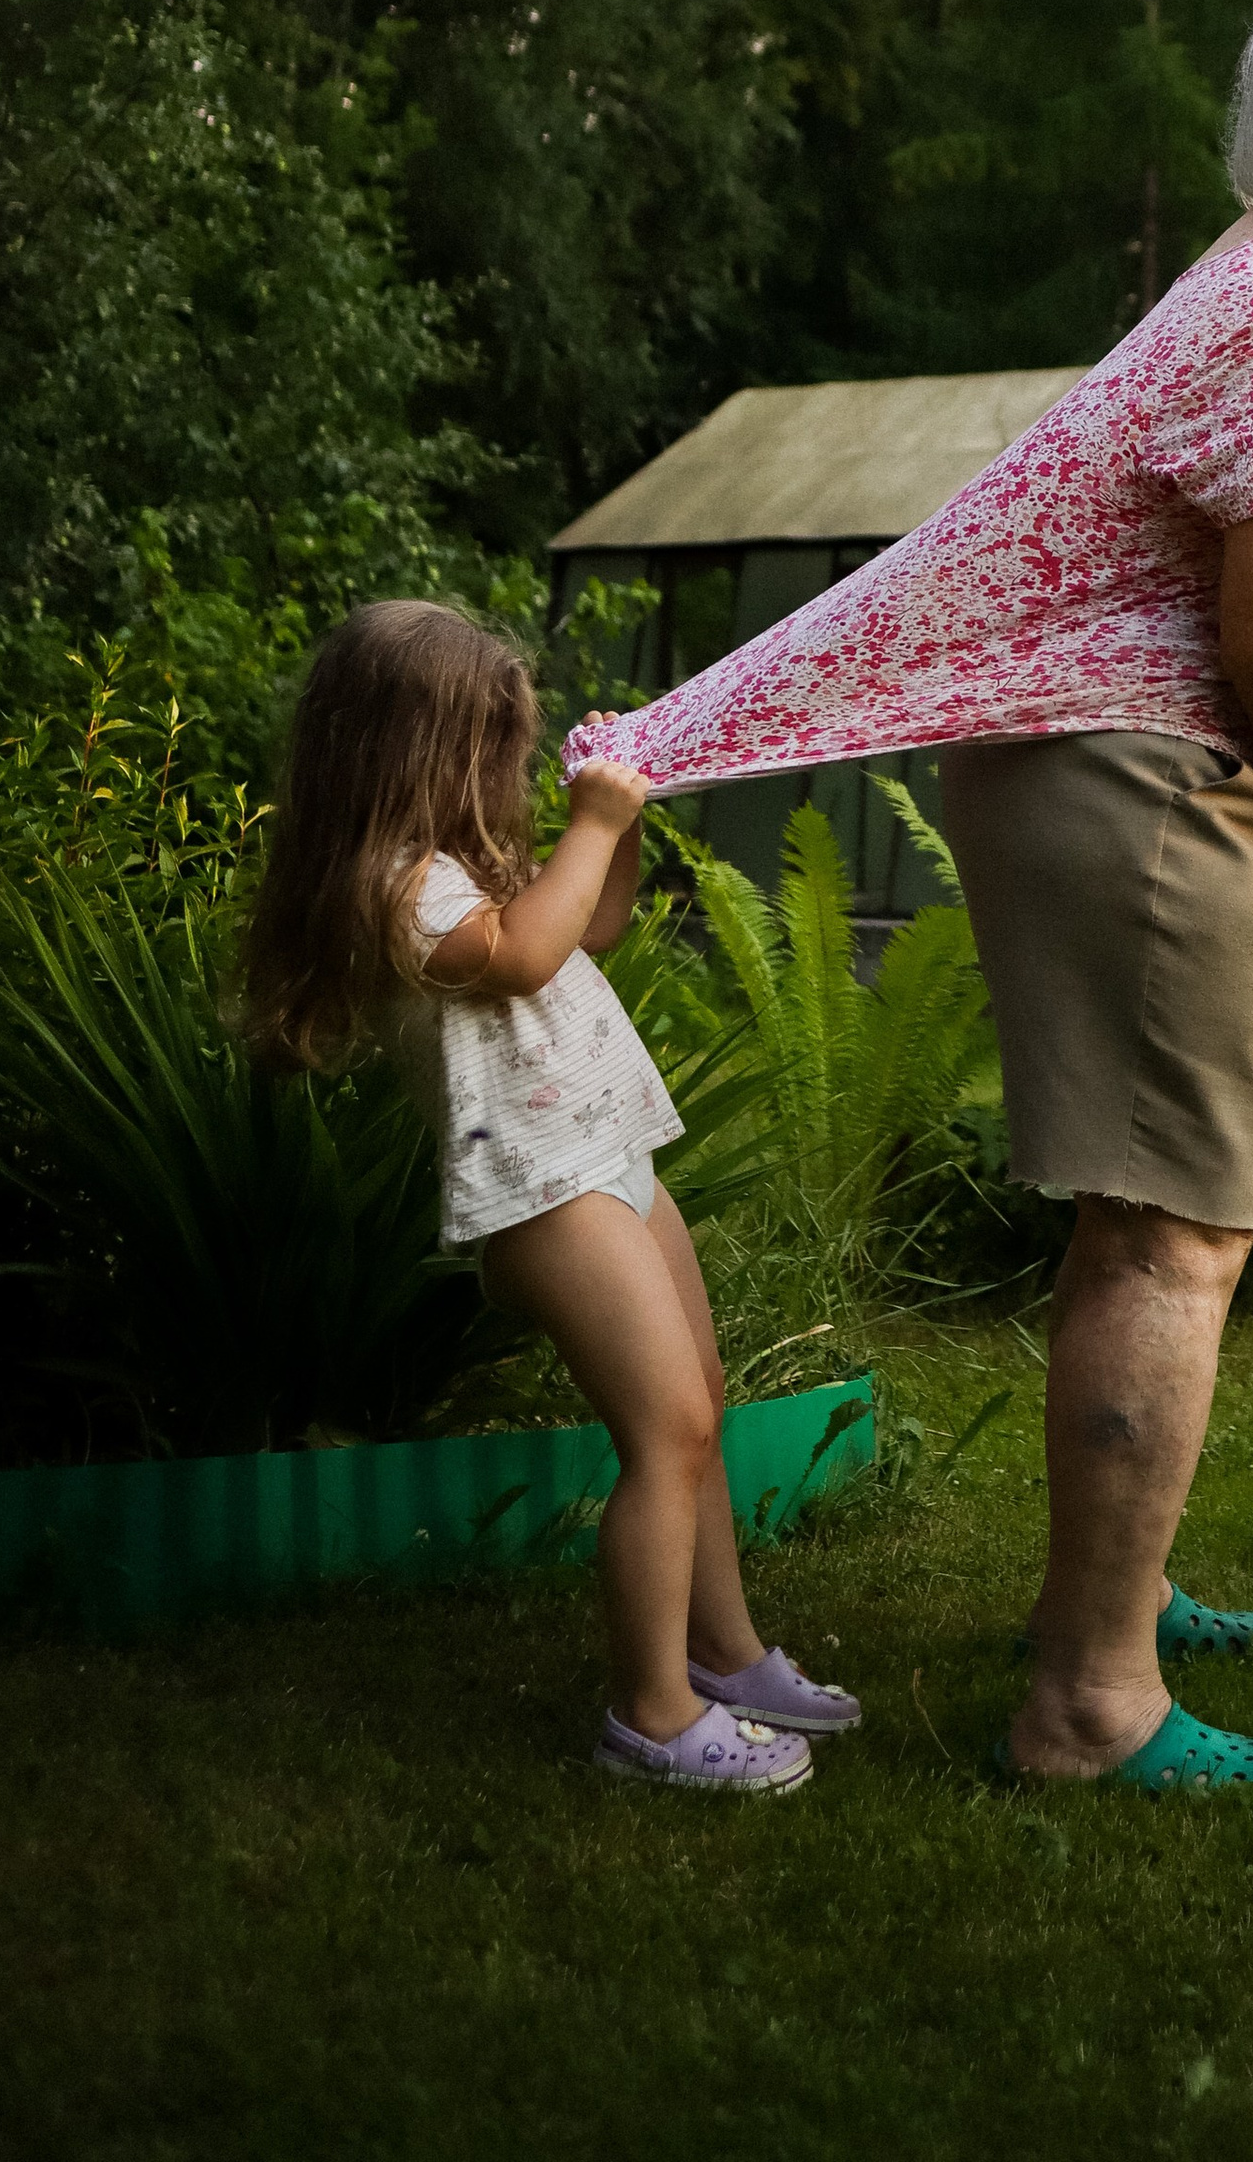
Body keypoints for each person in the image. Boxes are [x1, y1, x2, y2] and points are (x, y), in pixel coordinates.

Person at [566, 0, 1253, 1790]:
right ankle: (1090, 1700)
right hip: (1159, 787)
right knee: (1178, 1227)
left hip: (1135, 782)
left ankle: (1111, 1606)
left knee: (1157, 1210)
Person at [238, 598, 862, 1792]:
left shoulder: (463, 869)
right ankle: (653, 1712)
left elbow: (593, 925)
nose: (509, 771)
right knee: (663, 1429)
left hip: (606, 1156)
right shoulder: (395, 884)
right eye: (492, 747)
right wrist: (592, 817)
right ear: (415, 748)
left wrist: (616, 832)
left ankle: (723, 1652)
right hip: (542, 1192)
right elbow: (524, 952)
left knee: (700, 1406)